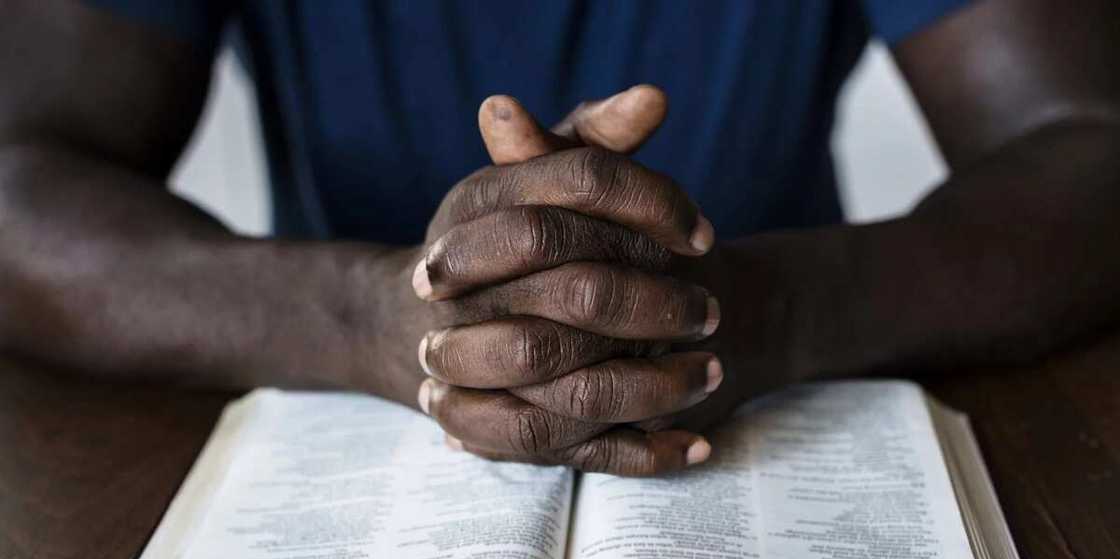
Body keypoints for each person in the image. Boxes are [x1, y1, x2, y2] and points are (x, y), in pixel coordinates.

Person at [1, 0, 1117, 475]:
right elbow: (17, 173)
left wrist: (753, 315)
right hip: (345, 449)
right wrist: (376, 315)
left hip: (784, 420)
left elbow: (1087, 141)